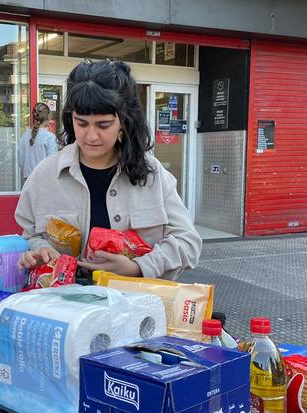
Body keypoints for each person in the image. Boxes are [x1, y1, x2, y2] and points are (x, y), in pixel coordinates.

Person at [15, 59, 201, 280]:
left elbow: (188, 243)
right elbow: (29, 236)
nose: (91, 136)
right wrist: (38, 250)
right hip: (66, 307)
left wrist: (139, 267)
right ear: (70, 118)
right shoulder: (45, 175)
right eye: (81, 123)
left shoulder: (152, 174)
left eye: (103, 125)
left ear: (123, 120)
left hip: (136, 306)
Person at [17, 102, 58, 181]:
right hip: (44, 181)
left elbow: (20, 162)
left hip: (27, 182)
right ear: (48, 117)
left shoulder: (24, 136)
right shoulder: (49, 138)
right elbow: (52, 164)